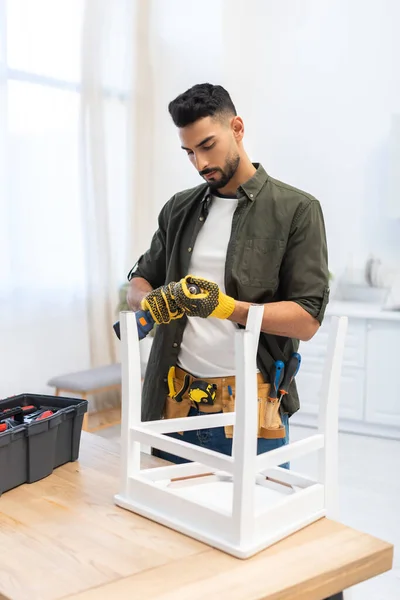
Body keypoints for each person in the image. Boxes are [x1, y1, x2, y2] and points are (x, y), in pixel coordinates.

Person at [126, 83, 330, 465]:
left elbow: (307, 321)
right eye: (189, 153)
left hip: (252, 414)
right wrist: (150, 301)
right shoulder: (178, 209)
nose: (200, 163)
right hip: (174, 409)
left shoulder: (296, 210)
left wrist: (228, 308)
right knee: (168, 524)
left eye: (207, 145)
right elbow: (139, 280)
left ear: (237, 128)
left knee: (258, 520)